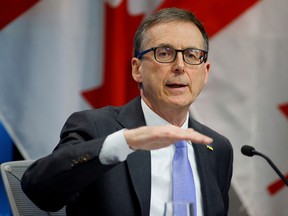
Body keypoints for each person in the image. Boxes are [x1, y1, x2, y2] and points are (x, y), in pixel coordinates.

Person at [21, 7, 233, 216]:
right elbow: (40, 191)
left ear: (205, 73)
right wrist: (123, 143)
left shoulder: (217, 148)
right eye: (164, 53)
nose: (180, 66)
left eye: (192, 55)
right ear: (137, 69)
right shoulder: (96, 128)